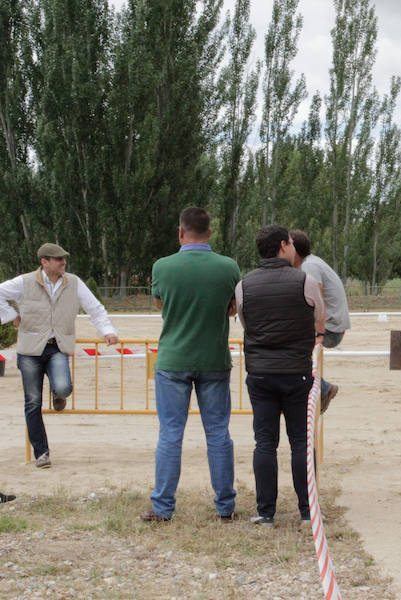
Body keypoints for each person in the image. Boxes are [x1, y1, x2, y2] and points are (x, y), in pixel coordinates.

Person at [140, 207, 241, 523]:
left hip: (172, 359)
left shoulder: (162, 267)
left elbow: (161, 305)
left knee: (170, 433)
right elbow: (231, 308)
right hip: (214, 359)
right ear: (210, 232)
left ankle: (162, 507)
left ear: (180, 232)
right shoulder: (228, 267)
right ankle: (225, 506)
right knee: (218, 433)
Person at [235, 226, 326, 527]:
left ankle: (265, 512)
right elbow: (319, 317)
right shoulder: (305, 280)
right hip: (296, 372)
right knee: (300, 442)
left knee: (264, 442)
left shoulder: (244, 284)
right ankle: (306, 511)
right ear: (285, 245)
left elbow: (246, 323)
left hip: (260, 373)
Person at [0, 243, 118, 469]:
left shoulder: (74, 282)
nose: (63, 262)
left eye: (64, 259)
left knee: (64, 387)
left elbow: (94, 308)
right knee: (33, 402)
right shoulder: (24, 282)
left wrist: (108, 331)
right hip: (30, 350)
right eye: (58, 259)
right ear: (44, 262)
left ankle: (58, 393)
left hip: (57, 347)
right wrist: (11, 315)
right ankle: (41, 452)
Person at [290, 229, 349, 412]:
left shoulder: (309, 267)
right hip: (332, 324)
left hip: (329, 328)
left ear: (293, 249)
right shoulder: (312, 262)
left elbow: (317, 301)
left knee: (288, 351)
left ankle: (323, 388)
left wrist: (318, 332)